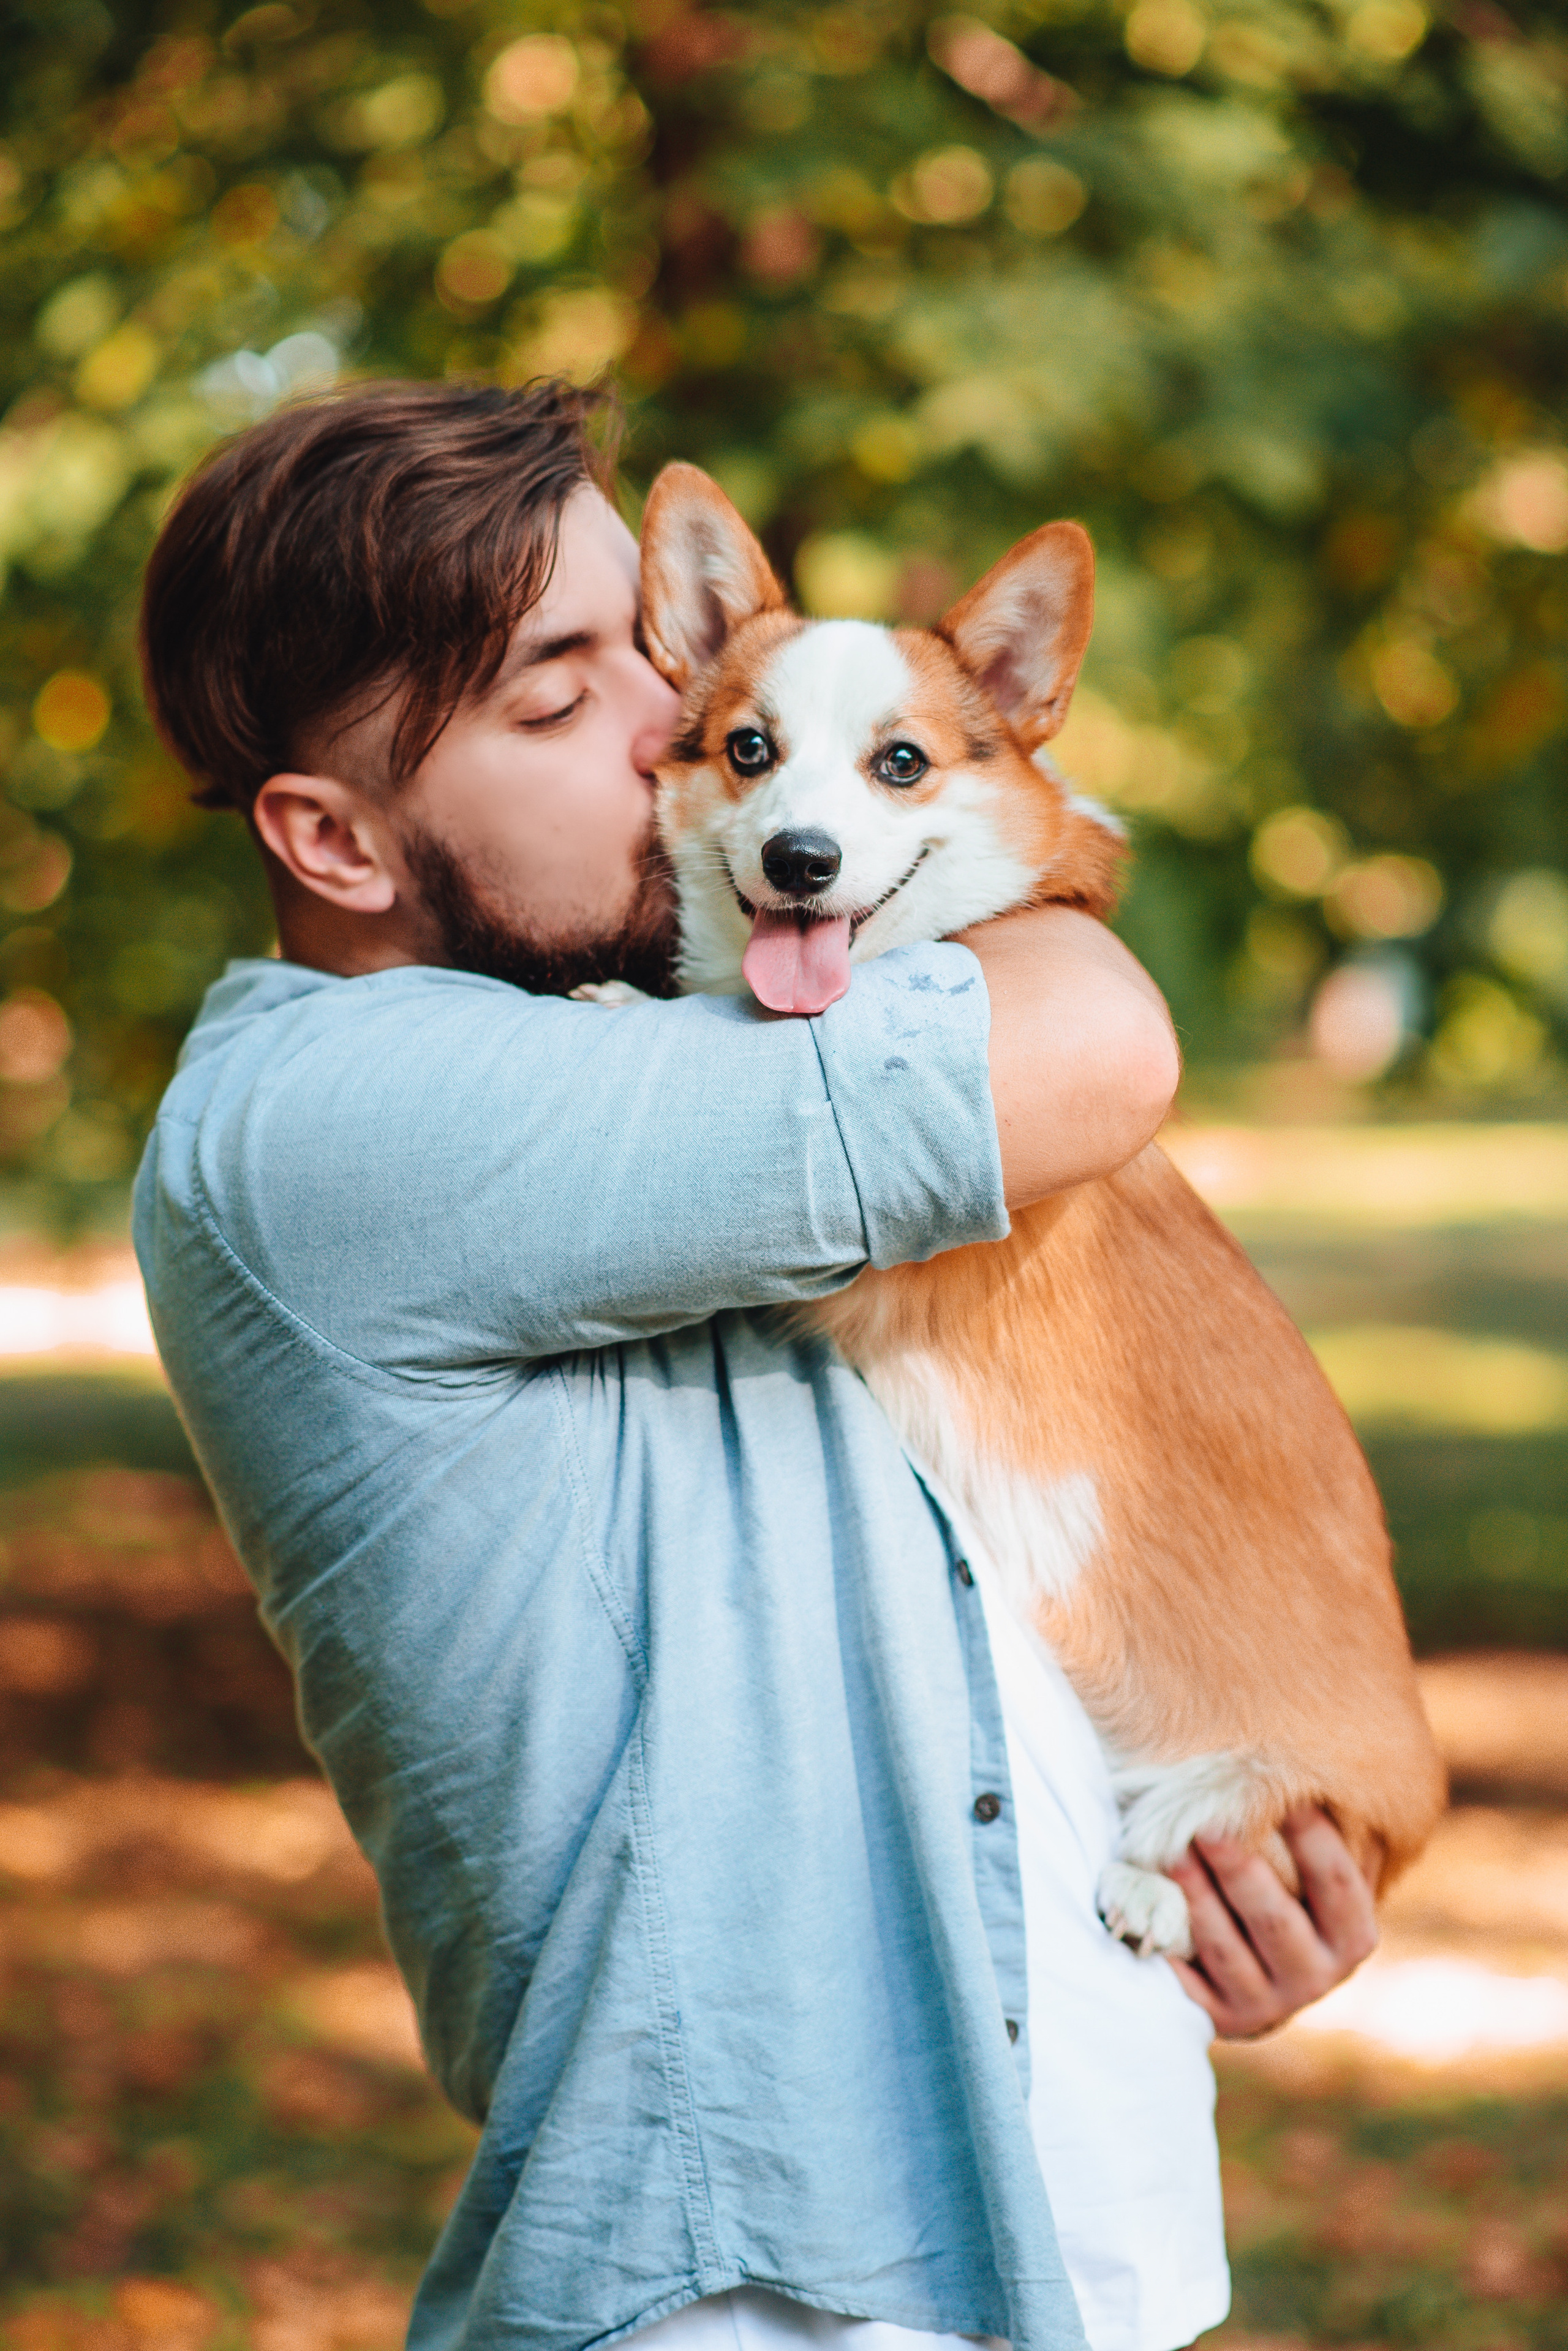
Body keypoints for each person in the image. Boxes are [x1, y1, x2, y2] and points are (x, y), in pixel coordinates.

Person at [134, 379, 1377, 2351]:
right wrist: (1018, 859)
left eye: (652, 651)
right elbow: (1088, 1043)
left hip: (1047, 2254)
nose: (685, 736)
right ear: (330, 838)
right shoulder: (332, 1125)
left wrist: (1206, 1845)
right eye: (560, 703)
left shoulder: (671, 1060)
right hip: (754, 2294)